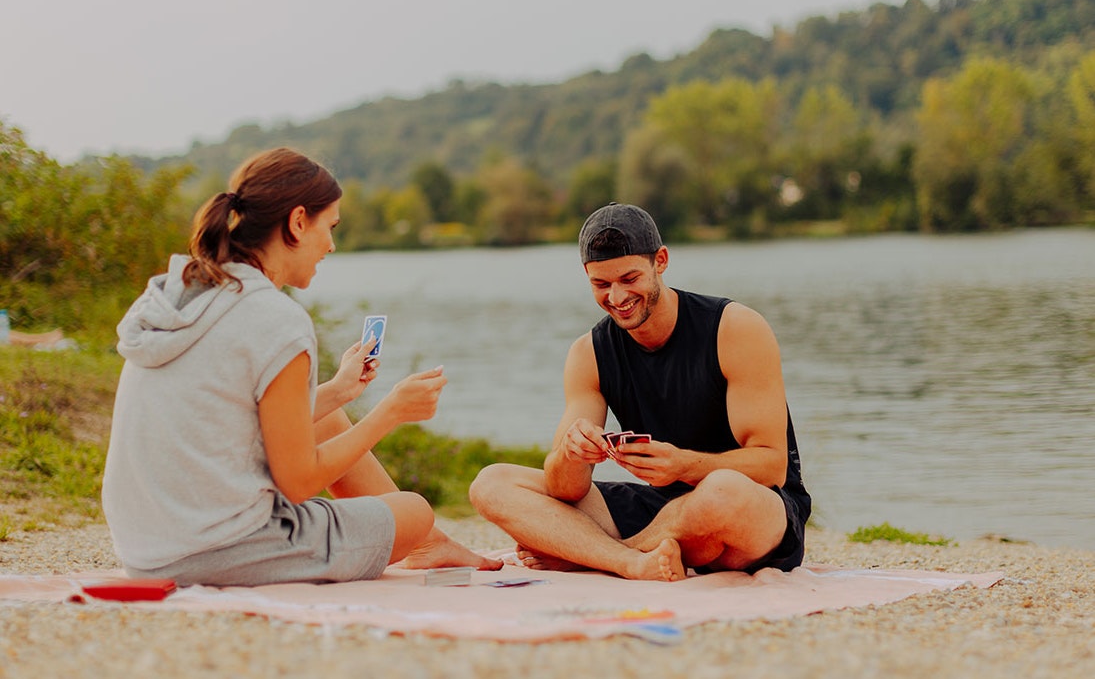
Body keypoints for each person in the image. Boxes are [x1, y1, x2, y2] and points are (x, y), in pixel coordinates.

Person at [102, 147, 501, 586]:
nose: (331, 245)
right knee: (414, 511)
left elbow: (226, 415)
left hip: (145, 549)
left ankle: (431, 544)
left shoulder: (182, 294)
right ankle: (426, 541)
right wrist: (390, 412)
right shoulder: (277, 319)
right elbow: (298, 481)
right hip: (223, 551)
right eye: (329, 227)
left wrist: (341, 391)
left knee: (327, 414)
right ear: (296, 222)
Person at [470, 203, 810, 581]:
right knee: (492, 483)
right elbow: (564, 488)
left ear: (660, 261)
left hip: (751, 510)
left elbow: (771, 466)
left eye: (629, 278)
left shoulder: (736, 328)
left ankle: (603, 555)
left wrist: (682, 465)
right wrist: (572, 454)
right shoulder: (588, 353)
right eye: (601, 285)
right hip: (663, 511)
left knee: (722, 490)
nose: (616, 297)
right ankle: (634, 562)